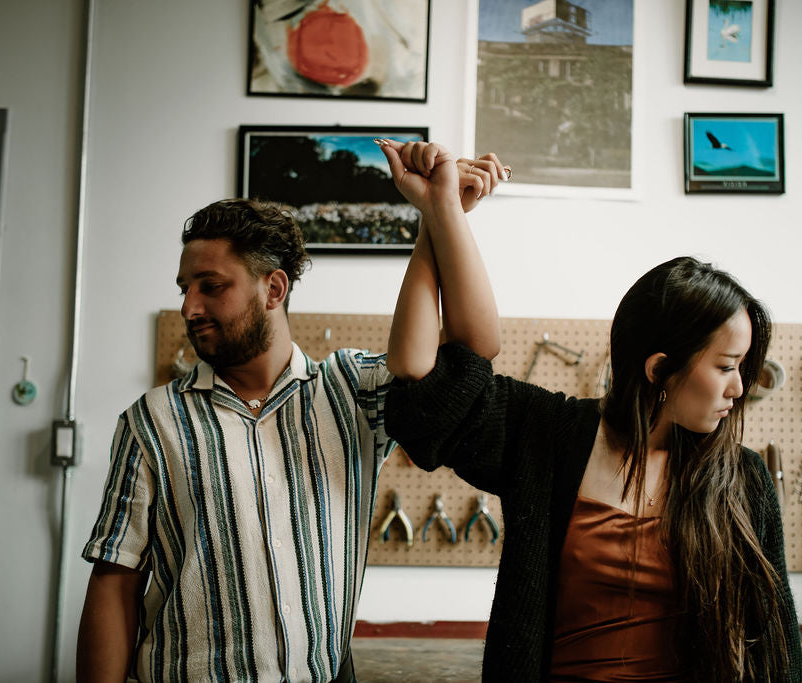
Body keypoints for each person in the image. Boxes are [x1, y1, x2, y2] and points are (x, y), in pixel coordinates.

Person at [379, 140, 802, 681]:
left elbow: (778, 652)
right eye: (726, 366)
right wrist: (438, 214)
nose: (740, 388)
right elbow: (429, 375)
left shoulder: (743, 479)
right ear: (659, 371)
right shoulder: (549, 435)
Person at [77, 175, 500, 680]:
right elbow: (114, 581)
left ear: (273, 288)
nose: (189, 307)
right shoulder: (152, 420)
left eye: (211, 287)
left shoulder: (350, 391)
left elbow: (473, 348)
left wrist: (443, 212)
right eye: (185, 289)